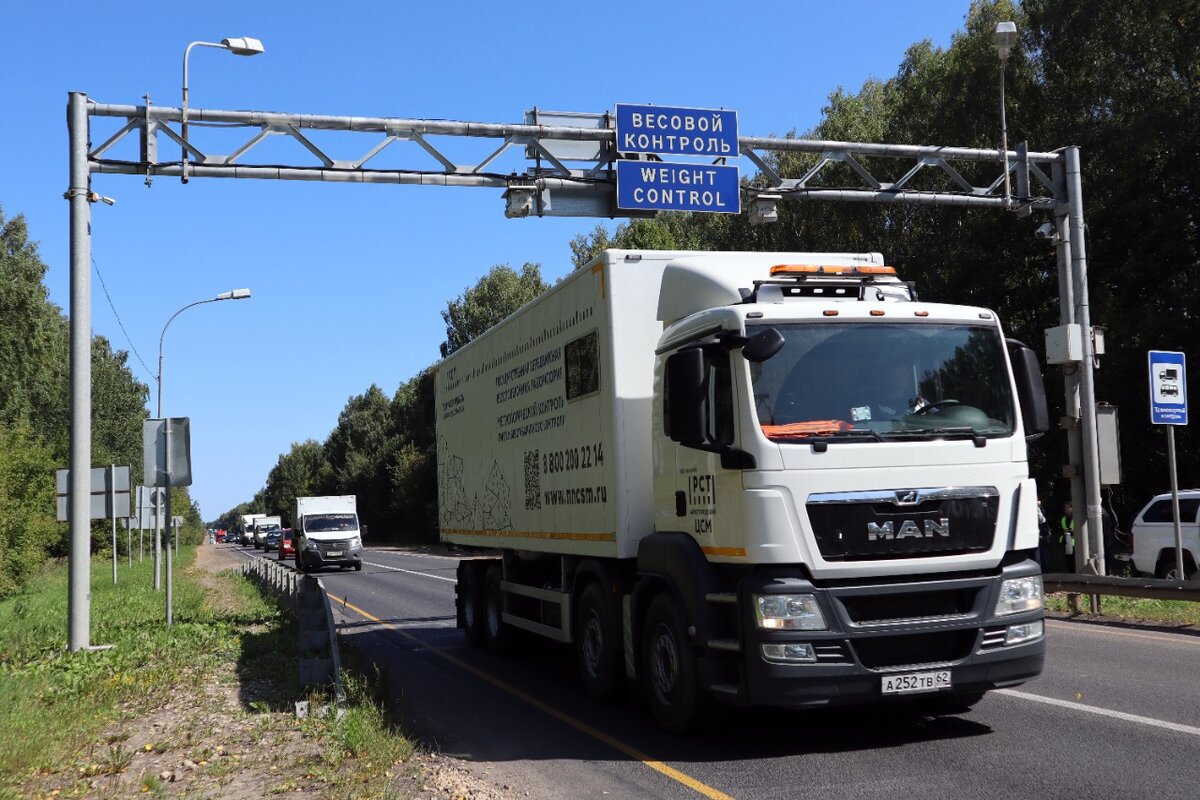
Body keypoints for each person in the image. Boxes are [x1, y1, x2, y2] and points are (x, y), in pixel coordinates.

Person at [1057, 501, 1076, 572]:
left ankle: (1074, 573)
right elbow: (1060, 529)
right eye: (1065, 507)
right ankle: (1071, 573)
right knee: (1068, 559)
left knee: (1073, 559)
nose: (1066, 509)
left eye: (1068, 507)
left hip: (1073, 541)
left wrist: (1070, 531)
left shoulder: (1075, 518)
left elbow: (1077, 530)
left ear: (1072, 508)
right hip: (1065, 540)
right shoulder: (1063, 518)